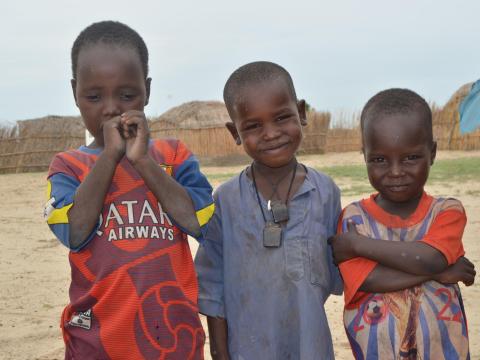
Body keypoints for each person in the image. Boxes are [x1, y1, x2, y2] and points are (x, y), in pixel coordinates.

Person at [44, 21, 214, 359]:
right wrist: (110, 156)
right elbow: (73, 231)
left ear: (147, 91)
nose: (111, 108)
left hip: (172, 339)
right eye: (94, 96)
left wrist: (143, 162)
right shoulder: (68, 167)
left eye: (127, 95)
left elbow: (199, 222)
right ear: (75, 92)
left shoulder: (173, 156)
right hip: (97, 343)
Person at [194, 61, 342, 359]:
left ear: (301, 113)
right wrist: (221, 354)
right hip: (246, 350)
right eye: (253, 126)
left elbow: (337, 273)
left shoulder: (325, 193)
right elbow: (213, 290)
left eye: (281, 118)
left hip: (309, 347)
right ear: (234, 132)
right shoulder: (225, 201)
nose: (271, 133)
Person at [328, 88, 476, 359]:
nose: (395, 172)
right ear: (364, 156)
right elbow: (368, 280)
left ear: (432, 153)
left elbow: (430, 258)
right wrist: (440, 274)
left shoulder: (447, 211)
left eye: (411, 157)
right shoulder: (354, 218)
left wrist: (360, 245)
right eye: (380, 159)